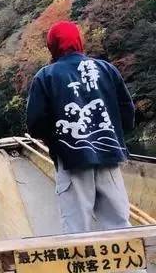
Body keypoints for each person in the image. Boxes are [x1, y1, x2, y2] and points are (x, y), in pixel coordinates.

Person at [26, 21, 135, 234]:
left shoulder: (46, 76)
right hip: (110, 154)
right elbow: (127, 110)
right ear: (78, 41)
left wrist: (52, 140)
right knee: (120, 226)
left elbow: (35, 122)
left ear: (53, 46)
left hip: (71, 159)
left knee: (77, 229)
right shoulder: (107, 69)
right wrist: (116, 135)